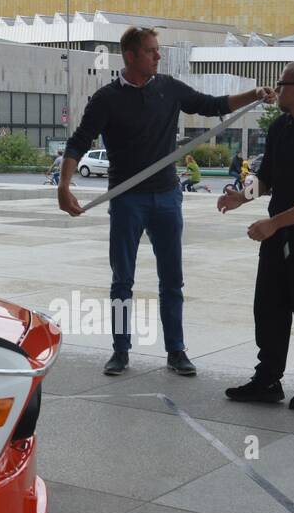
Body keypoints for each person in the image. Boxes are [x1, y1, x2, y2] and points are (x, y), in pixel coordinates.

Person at [59, 26, 273, 377]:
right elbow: (79, 141)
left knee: (172, 279)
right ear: (130, 56)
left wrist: (254, 94)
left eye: (158, 50)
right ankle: (120, 351)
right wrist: (64, 185)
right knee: (122, 280)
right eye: (151, 51)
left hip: (167, 197)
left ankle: (176, 351)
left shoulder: (169, 89)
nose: (158, 56)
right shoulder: (106, 99)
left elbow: (212, 105)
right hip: (127, 199)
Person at [217, 61, 294, 410]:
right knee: (269, 308)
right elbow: (267, 175)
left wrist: (273, 224)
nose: (276, 88)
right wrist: (242, 197)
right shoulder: (281, 127)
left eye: (281, 83)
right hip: (279, 235)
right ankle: (267, 380)